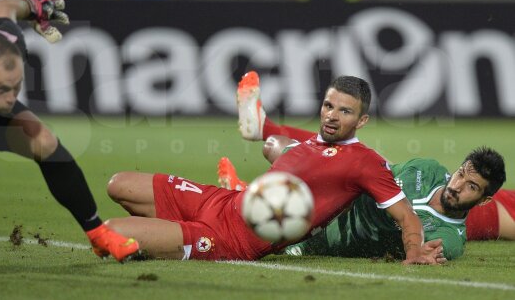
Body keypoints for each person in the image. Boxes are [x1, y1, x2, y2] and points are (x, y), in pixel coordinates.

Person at [0, 0, 138, 284]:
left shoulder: (7, 39)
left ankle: (97, 233)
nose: (11, 98)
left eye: (16, 88)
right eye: (2, 89)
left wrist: (33, 5)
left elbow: (1, 6)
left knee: (43, 140)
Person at [104, 75, 445, 264]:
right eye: (328, 105)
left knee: (111, 233)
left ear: (362, 120)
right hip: (219, 202)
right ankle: (168, 237)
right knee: (118, 185)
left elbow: (406, 216)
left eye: (344, 111)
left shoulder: (365, 163)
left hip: (232, 240)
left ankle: (173, 240)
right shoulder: (311, 144)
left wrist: (414, 249)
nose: (331, 115)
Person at [231, 71, 514, 244]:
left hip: (467, 213)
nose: (461, 182)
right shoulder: (440, 176)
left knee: (339, 160)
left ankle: (257, 195)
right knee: (353, 159)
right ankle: (259, 193)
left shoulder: (477, 205)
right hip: (426, 197)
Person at [218, 148, 506, 260]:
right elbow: (378, 173)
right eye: (460, 175)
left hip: (324, 241)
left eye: (471, 187)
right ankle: (251, 194)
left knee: (243, 242)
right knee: (277, 146)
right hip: (336, 200)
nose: (456, 186)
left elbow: (420, 251)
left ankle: (248, 197)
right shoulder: (427, 169)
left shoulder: (449, 239)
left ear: (484, 200)